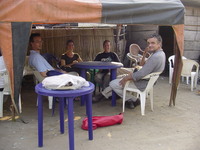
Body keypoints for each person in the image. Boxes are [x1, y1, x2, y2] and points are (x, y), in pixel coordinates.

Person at [93, 33, 166, 109]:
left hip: (141, 82)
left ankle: (133, 99)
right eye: (148, 43)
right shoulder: (160, 54)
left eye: (153, 43)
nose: (150, 45)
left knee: (113, 83)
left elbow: (141, 74)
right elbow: (143, 69)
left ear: (159, 44)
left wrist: (126, 78)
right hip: (145, 80)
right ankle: (103, 95)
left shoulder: (156, 57)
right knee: (118, 79)